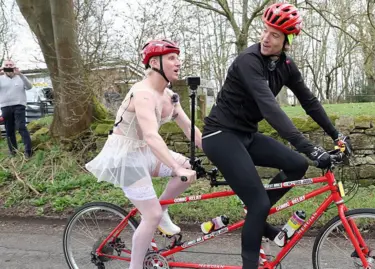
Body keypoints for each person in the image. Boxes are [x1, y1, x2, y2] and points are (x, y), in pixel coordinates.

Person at [201, 3, 351, 269]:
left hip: (246, 134)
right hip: (220, 134)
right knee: (260, 202)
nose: (266, 38)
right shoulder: (249, 61)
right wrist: (309, 147)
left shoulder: (286, 66)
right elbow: (269, 108)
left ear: (287, 41)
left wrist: (336, 135)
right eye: (266, 31)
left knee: (297, 165)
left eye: (275, 35)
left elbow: (310, 102)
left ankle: (255, 214)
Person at [85, 39, 202, 269]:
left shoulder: (169, 96)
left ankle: (162, 212)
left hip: (143, 152)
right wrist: (176, 169)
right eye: (171, 58)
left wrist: (218, 152)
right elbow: (150, 135)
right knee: (151, 216)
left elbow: (190, 130)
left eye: (178, 57)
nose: (178, 62)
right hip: (125, 156)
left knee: (190, 166)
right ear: (155, 62)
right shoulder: (143, 93)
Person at [0, 59, 33, 157]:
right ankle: (13, 151)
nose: (9, 66)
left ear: (14, 66)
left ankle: (28, 151)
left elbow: (29, 87)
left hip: (19, 105)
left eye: (11, 65)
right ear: (3, 67)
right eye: (7, 65)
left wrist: (21, 75)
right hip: (5, 106)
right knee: (9, 129)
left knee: (21, 126)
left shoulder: (20, 77)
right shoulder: (1, 78)